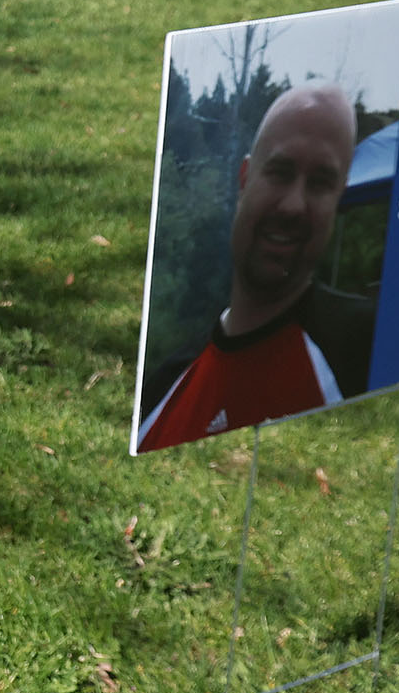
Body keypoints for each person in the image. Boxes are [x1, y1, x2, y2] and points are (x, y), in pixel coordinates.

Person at [136, 84, 376, 452]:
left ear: (338, 199)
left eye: (320, 184)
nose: (294, 206)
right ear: (245, 178)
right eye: (280, 172)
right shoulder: (162, 391)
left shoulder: (370, 348)